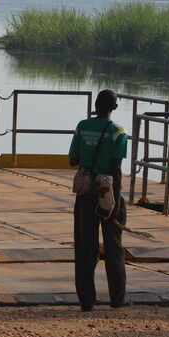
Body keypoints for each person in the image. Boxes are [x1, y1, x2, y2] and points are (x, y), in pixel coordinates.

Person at [69, 89, 130, 311]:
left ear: (95, 104)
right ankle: (117, 299)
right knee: (114, 248)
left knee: (86, 248)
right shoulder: (118, 132)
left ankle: (86, 301)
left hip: (85, 196)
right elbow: (116, 169)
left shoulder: (82, 126)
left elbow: (73, 160)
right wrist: (114, 205)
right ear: (114, 108)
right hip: (108, 197)